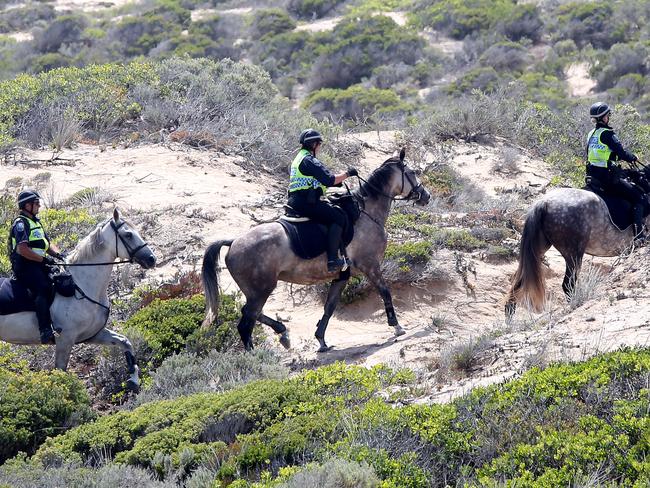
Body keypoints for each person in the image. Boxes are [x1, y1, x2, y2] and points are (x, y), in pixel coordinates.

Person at [288, 129, 358, 272]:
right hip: (306, 203)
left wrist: (336, 183)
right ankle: (332, 260)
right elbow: (329, 179)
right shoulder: (309, 159)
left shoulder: (299, 158)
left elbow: (317, 180)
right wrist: (348, 173)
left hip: (295, 200)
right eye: (319, 144)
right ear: (314, 144)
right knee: (338, 217)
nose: (320, 147)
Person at [8, 190, 64, 343]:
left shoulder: (36, 222)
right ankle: (45, 330)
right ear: (27, 205)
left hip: (38, 264)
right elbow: (23, 250)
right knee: (42, 286)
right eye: (36, 203)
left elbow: (47, 244)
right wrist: (43, 260)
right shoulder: (21, 223)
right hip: (25, 266)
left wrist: (59, 255)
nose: (39, 205)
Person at [586, 102, 647, 241]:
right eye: (608, 115)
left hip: (592, 176)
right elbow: (622, 153)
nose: (609, 117)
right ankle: (639, 236)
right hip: (607, 179)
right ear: (604, 118)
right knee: (639, 198)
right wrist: (632, 157)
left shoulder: (591, 134)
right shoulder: (608, 134)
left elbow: (601, 153)